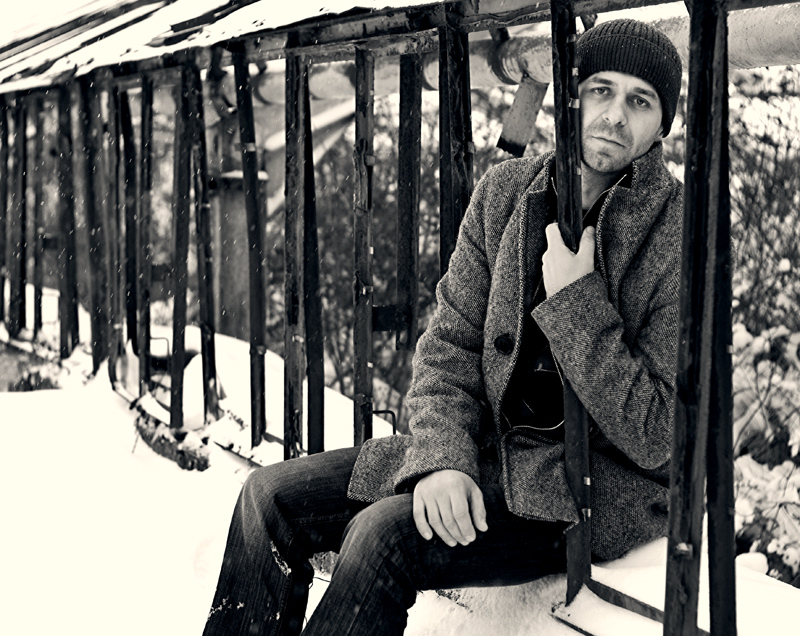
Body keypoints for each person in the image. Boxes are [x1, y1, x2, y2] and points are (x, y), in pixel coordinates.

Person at [203, 18, 684, 636]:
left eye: (640, 101)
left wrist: (577, 302)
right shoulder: (507, 192)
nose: (614, 115)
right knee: (267, 499)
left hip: (581, 492)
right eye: (601, 90)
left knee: (382, 538)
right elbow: (449, 347)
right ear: (572, 96)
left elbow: (658, 433)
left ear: (662, 125)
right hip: (482, 456)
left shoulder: (678, 236)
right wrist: (443, 461)